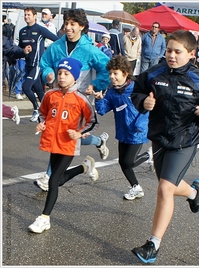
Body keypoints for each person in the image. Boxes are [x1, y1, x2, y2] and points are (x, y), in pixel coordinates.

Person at [130, 30, 199, 263]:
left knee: (164, 188)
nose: (171, 55)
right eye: (168, 50)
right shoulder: (155, 72)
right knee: (168, 185)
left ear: (191, 54)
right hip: (159, 137)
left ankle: (153, 245)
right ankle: (193, 192)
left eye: (177, 52)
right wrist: (144, 101)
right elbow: (137, 91)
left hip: (186, 139)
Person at [36, 8, 111, 192]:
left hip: (80, 98)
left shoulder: (89, 49)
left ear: (82, 26)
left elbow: (107, 69)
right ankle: (99, 142)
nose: (68, 28)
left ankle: (49, 175)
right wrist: (49, 74)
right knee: (61, 133)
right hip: (58, 96)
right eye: (66, 23)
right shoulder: (57, 46)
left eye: (72, 24)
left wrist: (95, 85)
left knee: (67, 135)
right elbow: (44, 63)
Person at [28, 57, 99, 234]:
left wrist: (79, 133)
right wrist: (41, 123)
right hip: (53, 143)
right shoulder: (50, 95)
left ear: (74, 77)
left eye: (66, 74)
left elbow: (92, 121)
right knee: (57, 180)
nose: (61, 77)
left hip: (68, 145)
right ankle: (85, 167)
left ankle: (44, 218)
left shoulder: (80, 98)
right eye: (59, 73)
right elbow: (43, 114)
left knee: (53, 180)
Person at [94, 55, 152, 199]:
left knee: (129, 162)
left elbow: (146, 110)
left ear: (125, 74)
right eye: (110, 73)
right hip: (123, 131)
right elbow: (102, 110)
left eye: (116, 73)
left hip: (137, 131)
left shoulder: (135, 89)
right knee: (123, 162)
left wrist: (139, 125)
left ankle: (149, 155)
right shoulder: (112, 92)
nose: (112, 77)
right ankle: (136, 187)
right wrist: (99, 99)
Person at [18, 7, 59, 122]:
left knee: (26, 87)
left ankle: (36, 109)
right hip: (28, 65)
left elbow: (56, 39)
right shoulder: (22, 31)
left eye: (29, 15)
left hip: (37, 65)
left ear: (35, 16)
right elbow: (20, 48)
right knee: (39, 91)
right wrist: (23, 50)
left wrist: (51, 54)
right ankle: (52, 113)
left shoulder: (40, 30)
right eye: (25, 15)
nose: (26, 17)